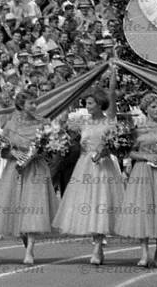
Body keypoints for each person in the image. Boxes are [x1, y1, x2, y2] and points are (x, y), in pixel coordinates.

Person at [53, 75, 124, 265]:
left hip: (103, 167)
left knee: (101, 204)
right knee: (88, 205)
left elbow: (114, 144)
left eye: (90, 103)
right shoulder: (83, 122)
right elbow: (64, 127)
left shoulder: (109, 122)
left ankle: (98, 247)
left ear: (99, 104)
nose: (87, 105)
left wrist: (105, 151)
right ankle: (96, 242)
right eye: (86, 102)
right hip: (84, 166)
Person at [0, 90, 59, 265]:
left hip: (36, 169)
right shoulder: (11, 125)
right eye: (31, 103)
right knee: (18, 209)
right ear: (21, 105)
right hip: (16, 170)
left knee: (34, 206)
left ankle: (30, 250)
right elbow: (2, 150)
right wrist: (14, 152)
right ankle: (26, 242)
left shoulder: (43, 123)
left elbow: (51, 149)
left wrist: (41, 152)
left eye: (35, 102)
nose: (34, 106)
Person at [119, 93, 157, 268]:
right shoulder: (138, 129)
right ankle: (144, 253)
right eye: (153, 106)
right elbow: (130, 152)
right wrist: (146, 156)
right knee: (143, 210)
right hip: (142, 171)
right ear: (145, 109)